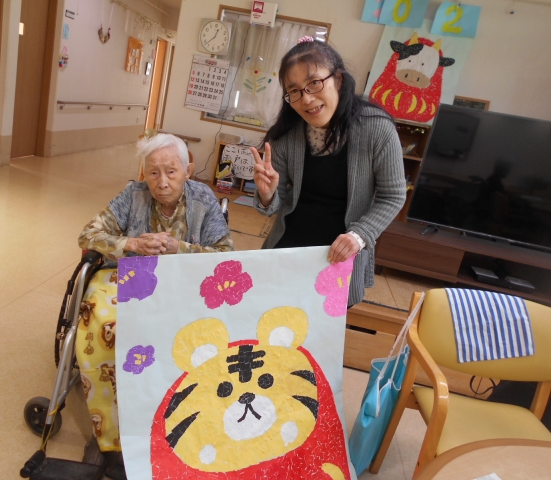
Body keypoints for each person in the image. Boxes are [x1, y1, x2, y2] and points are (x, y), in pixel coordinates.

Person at [75, 133, 233, 478]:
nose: (162, 182)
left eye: (171, 172)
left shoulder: (203, 200)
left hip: (183, 284)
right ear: (143, 173)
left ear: (187, 171)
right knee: (102, 324)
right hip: (128, 277)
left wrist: (179, 249)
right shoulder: (133, 195)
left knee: (177, 339)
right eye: (153, 173)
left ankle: (168, 429)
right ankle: (109, 438)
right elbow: (87, 235)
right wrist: (132, 244)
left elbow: (225, 256)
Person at [252, 37, 406, 307]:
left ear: (339, 80)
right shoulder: (284, 136)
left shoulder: (377, 128)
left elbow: (393, 195)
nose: (307, 99)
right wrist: (267, 195)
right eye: (294, 91)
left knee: (325, 326)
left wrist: (359, 236)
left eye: (314, 83)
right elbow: (273, 206)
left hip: (341, 257)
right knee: (269, 317)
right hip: (288, 248)